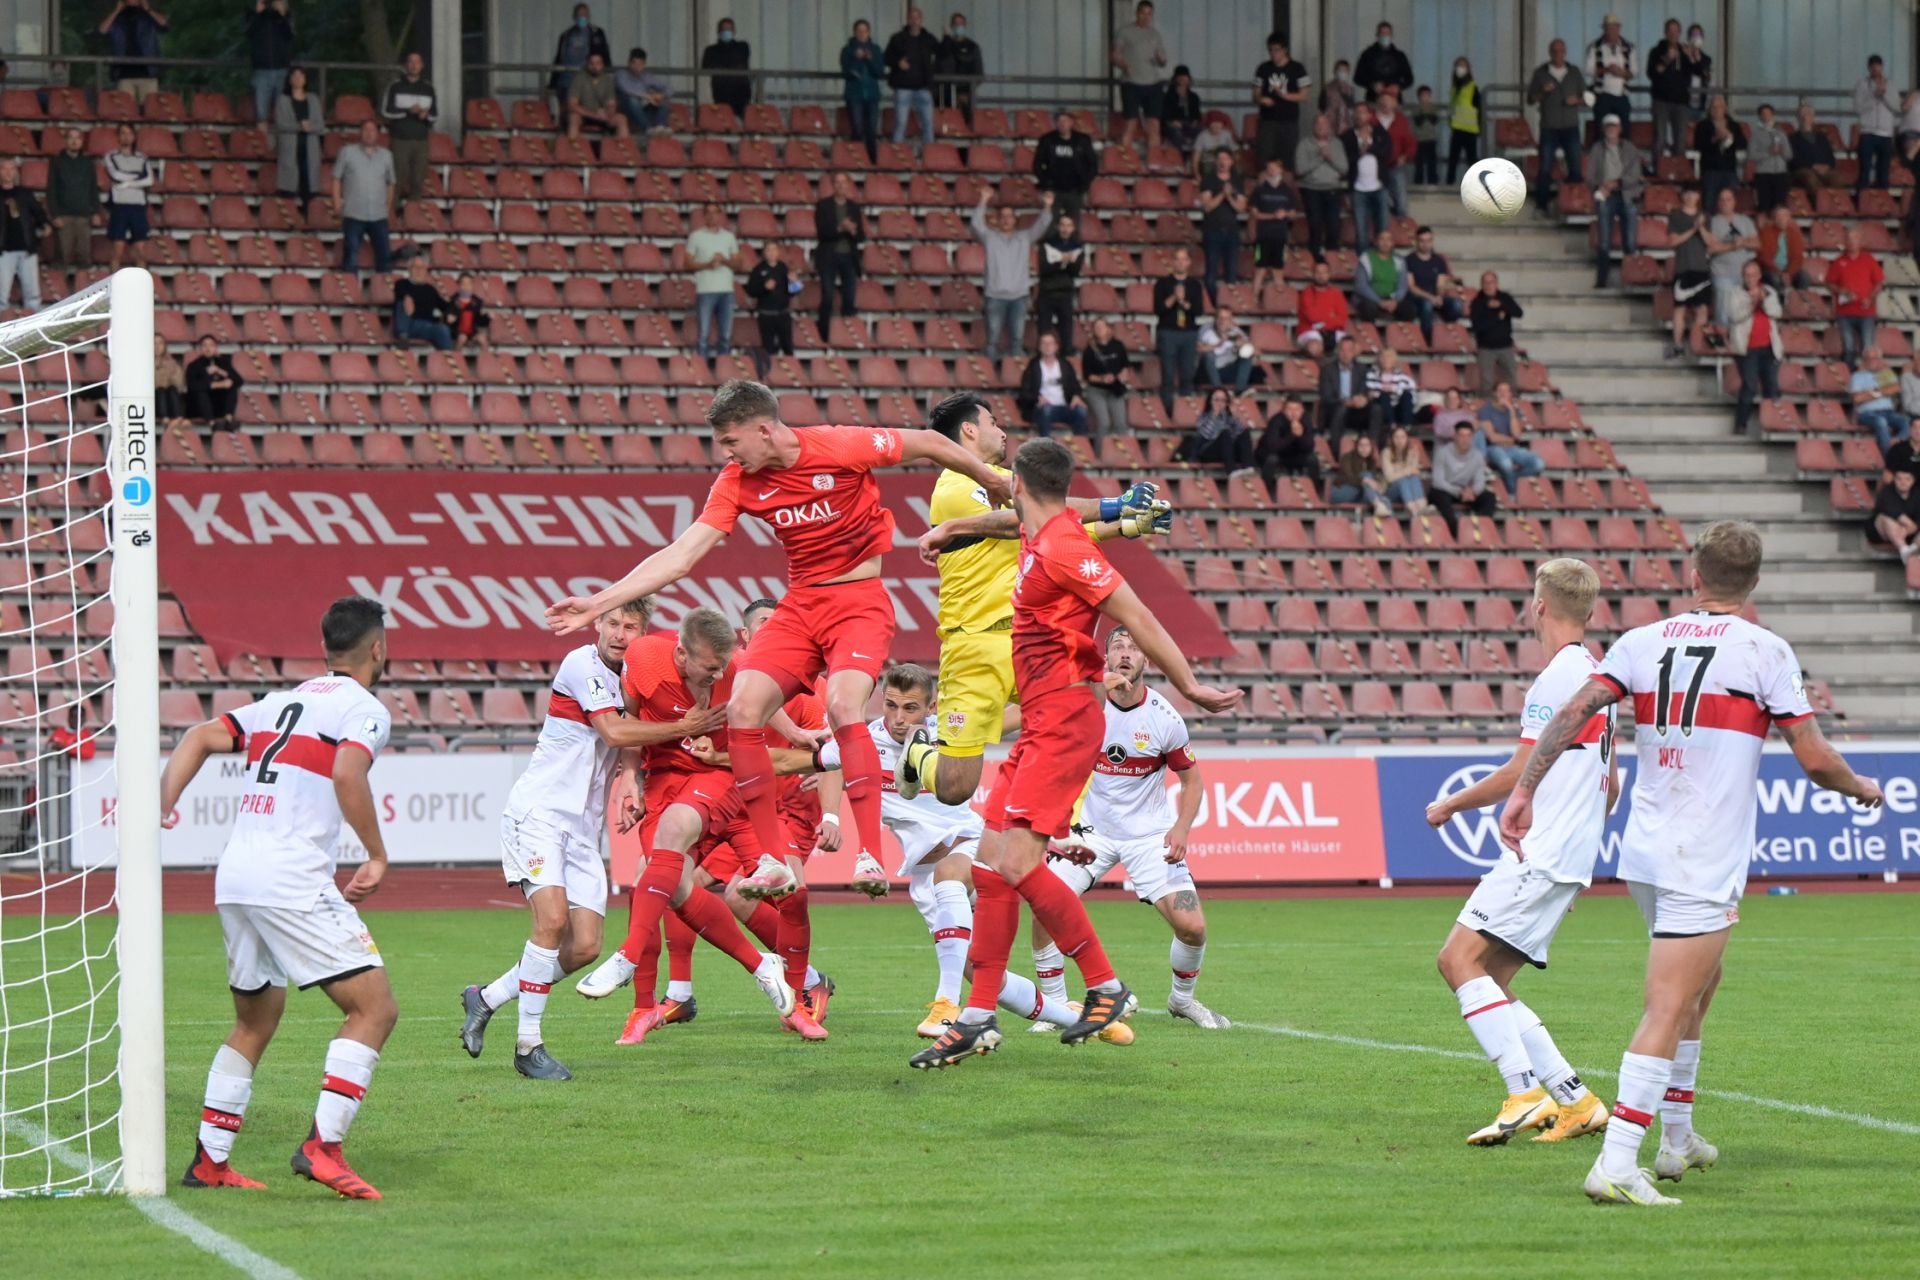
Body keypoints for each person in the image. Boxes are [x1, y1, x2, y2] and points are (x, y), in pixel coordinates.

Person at [1503, 521, 1883, 1207]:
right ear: (1755, 582)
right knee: (1669, 1004)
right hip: (1700, 856)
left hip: (1646, 854)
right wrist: (1861, 787)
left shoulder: (1641, 641)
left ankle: (1677, 1136)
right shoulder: (1764, 650)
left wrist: (1525, 788)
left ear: (1694, 574)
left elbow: (1577, 709)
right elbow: (1815, 757)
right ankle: (1617, 1163)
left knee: (1701, 985)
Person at [546, 380, 1013, 929]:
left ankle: (869, 854)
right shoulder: (737, 480)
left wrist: (993, 479)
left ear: (764, 430)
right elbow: (682, 555)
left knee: (842, 705)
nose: (726, 452)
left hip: (858, 600)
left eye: (730, 440)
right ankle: (771, 860)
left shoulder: (838, 445)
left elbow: (929, 442)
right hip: (800, 605)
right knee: (744, 708)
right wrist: (599, 602)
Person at [910, 438, 1242, 1070]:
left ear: (1017, 484)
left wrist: (1190, 684)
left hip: (1065, 720)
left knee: (1014, 865)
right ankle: (976, 1018)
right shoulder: (1044, 525)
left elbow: (1137, 614)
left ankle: (1105, 984)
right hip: (1041, 721)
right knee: (991, 864)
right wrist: (954, 528)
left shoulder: (1064, 545)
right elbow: (1012, 520)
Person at [161, 597, 400, 1199]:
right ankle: (323, 1148)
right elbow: (347, 772)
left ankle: (210, 1162)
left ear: (325, 649)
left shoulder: (278, 702)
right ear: (377, 649)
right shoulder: (363, 707)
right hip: (290, 878)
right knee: (374, 1009)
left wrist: (162, 804)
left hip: (236, 876)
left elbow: (198, 736)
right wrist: (376, 854)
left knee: (255, 1020)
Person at [1426, 559, 1618, 1147]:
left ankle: (1523, 1092)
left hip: (1542, 851)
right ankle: (1577, 1101)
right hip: (1566, 854)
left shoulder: (1556, 680)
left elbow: (1518, 770)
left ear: (1539, 606)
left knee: (1457, 961)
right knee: (1493, 980)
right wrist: (1575, 866)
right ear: (1589, 611)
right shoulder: (1600, 678)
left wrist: (1451, 805)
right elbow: (1610, 785)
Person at [903, 392, 1167, 814]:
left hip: (1027, 642)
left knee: (1088, 702)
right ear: (968, 430)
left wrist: (1129, 525)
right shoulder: (955, 486)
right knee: (955, 788)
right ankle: (920, 752)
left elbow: (1054, 529)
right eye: (992, 422)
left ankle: (1070, 820)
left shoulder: (1002, 484)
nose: (1001, 430)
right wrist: (1115, 505)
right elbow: (1027, 518)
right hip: (973, 646)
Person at [569, 608, 825, 1039]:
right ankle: (746, 972)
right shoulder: (644, 660)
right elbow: (629, 725)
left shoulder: (743, 670)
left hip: (721, 776)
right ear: (682, 654)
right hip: (665, 780)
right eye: (710, 667)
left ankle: (630, 956)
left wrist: (801, 739)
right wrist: (631, 776)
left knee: (786, 889)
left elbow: (762, 707)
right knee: (666, 885)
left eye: (723, 666)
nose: (718, 674)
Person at [459, 601, 655, 1080]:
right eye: (613, 623)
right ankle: (529, 1046)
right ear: (597, 624)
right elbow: (614, 730)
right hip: (540, 813)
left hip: (584, 829)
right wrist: (687, 727)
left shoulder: (637, 680)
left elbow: (630, 744)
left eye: (631, 626)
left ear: (643, 631)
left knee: (585, 945)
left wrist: (633, 781)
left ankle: (487, 997)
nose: (620, 633)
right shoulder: (580, 663)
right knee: (551, 920)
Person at [640, 599, 844, 1039]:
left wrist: (830, 813)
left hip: (786, 811)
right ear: (745, 640)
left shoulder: (810, 688)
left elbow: (828, 754)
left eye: (781, 625)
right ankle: (679, 991)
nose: (777, 632)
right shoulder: (728, 681)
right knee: (675, 877)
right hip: (733, 801)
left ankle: (806, 984)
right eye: (766, 625)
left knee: (753, 895)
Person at [1032, 627, 1229, 1030]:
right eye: (1117, 647)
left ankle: (1182, 1000)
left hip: (1148, 836)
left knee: (1192, 927)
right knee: (1045, 904)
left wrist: (1181, 829)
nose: (1125, 654)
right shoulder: (1085, 706)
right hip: (1091, 831)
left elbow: (1192, 781)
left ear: (1147, 660)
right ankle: (1055, 1007)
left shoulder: (1164, 718)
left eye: (1134, 648)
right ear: (1105, 659)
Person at [972, 189, 1054, 362]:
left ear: (1015, 220)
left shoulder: (1025, 237)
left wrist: (1047, 207)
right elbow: (976, 224)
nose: (1006, 219)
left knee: (1017, 340)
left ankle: (1016, 373)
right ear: (998, 220)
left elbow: (1042, 226)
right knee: (992, 341)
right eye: (1002, 216)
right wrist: (983, 201)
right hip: (995, 296)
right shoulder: (990, 237)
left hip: (1019, 297)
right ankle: (990, 374)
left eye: (1009, 216)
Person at [1528, 40, 1586, 208]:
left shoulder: (1574, 72)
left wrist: (1577, 100)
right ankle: (1542, 206)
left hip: (1571, 127)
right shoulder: (1540, 73)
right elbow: (1530, 99)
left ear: (1565, 52)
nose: (1558, 54)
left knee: (1575, 166)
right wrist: (1542, 91)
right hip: (1549, 127)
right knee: (1545, 167)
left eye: (1561, 51)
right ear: (1550, 52)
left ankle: (1574, 204)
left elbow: (1587, 98)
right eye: (1554, 51)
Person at [1587, 114, 1643, 289]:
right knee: (1604, 242)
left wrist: (1616, 183)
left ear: (1620, 129)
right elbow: (1590, 176)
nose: (1611, 130)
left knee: (1630, 242)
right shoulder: (1597, 149)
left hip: (1626, 194)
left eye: (1614, 127)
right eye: (1608, 127)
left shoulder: (1630, 148)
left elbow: (1635, 175)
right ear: (1604, 129)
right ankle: (1602, 280)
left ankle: (1631, 279)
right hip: (1606, 196)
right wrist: (1600, 187)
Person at [332, 119, 393, 276]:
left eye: (372, 130)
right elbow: (336, 178)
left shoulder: (387, 156)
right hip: (353, 213)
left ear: (378, 134)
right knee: (350, 257)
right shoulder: (347, 152)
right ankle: (350, 289)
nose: (369, 133)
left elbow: (391, 183)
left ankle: (383, 289)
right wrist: (337, 203)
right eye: (366, 129)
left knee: (385, 258)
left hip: (379, 215)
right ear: (360, 132)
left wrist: (387, 206)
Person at [1728, 260, 1781, 438]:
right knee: (1749, 386)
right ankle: (1740, 424)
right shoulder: (1735, 293)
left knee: (1771, 387)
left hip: (1769, 347)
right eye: (1747, 275)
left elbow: (1777, 312)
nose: (1750, 278)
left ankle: (1772, 424)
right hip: (1747, 348)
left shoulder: (1769, 291)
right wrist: (1751, 304)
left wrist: (1763, 300)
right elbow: (1734, 316)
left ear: (1759, 276)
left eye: (1753, 275)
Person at [1152, 246, 1208, 414]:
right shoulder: (1162, 283)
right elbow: (1158, 309)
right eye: (1177, 259)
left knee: (1187, 375)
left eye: (1184, 259)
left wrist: (1183, 301)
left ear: (1189, 262)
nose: (1181, 263)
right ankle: (1168, 412)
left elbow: (1198, 311)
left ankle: (1185, 412)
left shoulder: (1195, 285)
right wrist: (1174, 297)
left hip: (1189, 333)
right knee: (1168, 376)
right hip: (1168, 332)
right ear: (1173, 262)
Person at [379, 52, 437, 208]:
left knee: (418, 180)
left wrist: (426, 115)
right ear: (406, 65)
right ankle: (391, 211)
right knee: (397, 177)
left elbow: (435, 115)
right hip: (400, 139)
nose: (414, 65)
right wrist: (407, 112)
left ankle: (414, 213)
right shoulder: (395, 86)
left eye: (417, 62)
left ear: (422, 65)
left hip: (421, 140)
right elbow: (385, 111)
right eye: (411, 62)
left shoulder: (428, 88)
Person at [1111, 0, 1168, 155]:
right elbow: (1115, 55)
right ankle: (1125, 158)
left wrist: (1162, 59)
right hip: (1132, 82)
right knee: (1131, 122)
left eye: (1149, 14)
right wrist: (1124, 65)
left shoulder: (1155, 34)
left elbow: (1162, 61)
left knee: (1154, 124)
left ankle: (1154, 160)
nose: (1146, 17)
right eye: (1143, 13)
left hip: (1153, 83)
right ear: (1137, 13)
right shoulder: (1125, 32)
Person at [686, 203, 741, 362]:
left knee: (726, 335)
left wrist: (724, 260)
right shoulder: (695, 236)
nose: (712, 216)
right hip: (705, 290)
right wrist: (707, 265)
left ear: (720, 215)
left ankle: (723, 366)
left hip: (726, 291)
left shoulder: (729, 237)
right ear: (704, 216)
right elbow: (687, 263)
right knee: (703, 334)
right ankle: (702, 367)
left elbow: (738, 264)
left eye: (715, 212)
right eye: (708, 213)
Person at [1665, 186, 1713, 359]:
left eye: (1694, 193)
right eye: (1687, 193)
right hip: (1683, 267)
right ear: (1683, 196)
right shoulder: (1675, 215)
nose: (1691, 196)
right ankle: (1678, 346)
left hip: (1702, 268)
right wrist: (1693, 229)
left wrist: (1701, 227)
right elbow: (1672, 241)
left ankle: (1697, 345)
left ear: (1698, 196)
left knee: (1702, 310)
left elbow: (1711, 242)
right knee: (1680, 309)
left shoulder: (1705, 216)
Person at [813, 172, 863, 333]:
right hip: (829, 256)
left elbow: (861, 236)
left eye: (843, 182)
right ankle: (823, 332)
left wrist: (853, 231)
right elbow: (822, 233)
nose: (841, 185)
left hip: (849, 257)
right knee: (828, 296)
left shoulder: (854, 207)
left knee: (849, 297)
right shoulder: (823, 206)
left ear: (848, 185)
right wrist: (841, 228)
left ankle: (847, 333)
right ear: (833, 185)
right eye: (837, 182)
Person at [1295, 112, 1348, 263]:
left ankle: (1332, 261)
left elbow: (1344, 169)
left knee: (1333, 226)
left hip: (1332, 189)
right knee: (1315, 225)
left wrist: (1329, 158)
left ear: (1329, 127)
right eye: (1318, 124)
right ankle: (1315, 260)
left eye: (1324, 124)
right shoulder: (1304, 144)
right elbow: (1299, 170)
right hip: (1311, 189)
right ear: (1313, 126)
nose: (1321, 127)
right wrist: (1320, 158)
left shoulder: (1337, 144)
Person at [1825, 226, 1882, 367]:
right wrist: (1841, 290)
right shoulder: (1838, 262)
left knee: (1868, 349)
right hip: (1845, 312)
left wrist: (1870, 298)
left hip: (1866, 312)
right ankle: (1850, 377)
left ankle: (1867, 378)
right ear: (1845, 241)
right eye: (1849, 238)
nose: (1852, 242)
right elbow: (1829, 283)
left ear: (1860, 240)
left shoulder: (1869, 260)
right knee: (1848, 348)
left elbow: (1879, 283)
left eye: (1855, 238)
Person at [1646, 19, 1702, 158]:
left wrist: (1693, 57)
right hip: (1661, 101)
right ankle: (1657, 167)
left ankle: (1678, 168)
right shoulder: (1656, 51)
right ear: (1665, 33)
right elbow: (1652, 74)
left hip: (1681, 101)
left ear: (1680, 33)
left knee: (1681, 140)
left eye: (1676, 31)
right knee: (1660, 139)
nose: (1673, 34)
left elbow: (1698, 72)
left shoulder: (1685, 51)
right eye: (1670, 31)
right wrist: (1667, 59)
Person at [1252, 34, 1309, 170]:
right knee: (1265, 157)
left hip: (1289, 121)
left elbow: (1304, 95)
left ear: (1285, 50)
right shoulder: (1263, 68)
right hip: (1268, 121)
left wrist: (1285, 96)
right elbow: (1255, 94)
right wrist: (1261, 99)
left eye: (1276, 50)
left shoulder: (1297, 68)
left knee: (1288, 158)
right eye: (1270, 50)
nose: (1273, 54)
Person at [884, 8, 940, 146]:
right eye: (912, 18)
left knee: (928, 124)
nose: (914, 21)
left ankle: (929, 154)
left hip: (923, 87)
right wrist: (898, 62)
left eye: (917, 18)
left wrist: (947, 38)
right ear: (908, 20)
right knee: (900, 123)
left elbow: (943, 52)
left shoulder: (928, 38)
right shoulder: (897, 38)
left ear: (921, 20)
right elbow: (886, 57)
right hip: (903, 87)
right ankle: (896, 154)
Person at [1431, 421, 1498, 533]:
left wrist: (1474, 492)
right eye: (1461, 436)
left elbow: (1480, 480)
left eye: (1468, 436)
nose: (1465, 439)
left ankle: (1480, 527)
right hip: (1446, 489)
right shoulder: (1442, 453)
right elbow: (1438, 481)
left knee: (1489, 497)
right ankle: (1456, 530)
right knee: (1439, 496)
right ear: (1455, 436)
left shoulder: (1477, 455)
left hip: (1465, 490)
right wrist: (1458, 491)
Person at [1342, 102, 1393, 252]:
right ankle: (1363, 261)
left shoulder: (1379, 133)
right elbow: (1345, 160)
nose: (1360, 116)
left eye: (1363, 112)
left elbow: (1387, 152)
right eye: (1357, 112)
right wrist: (1360, 150)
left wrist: (1369, 147)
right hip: (1358, 189)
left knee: (1382, 229)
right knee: (1361, 231)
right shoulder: (1347, 136)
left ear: (1369, 115)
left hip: (1379, 187)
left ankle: (1382, 258)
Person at [1018, 331, 1089, 438]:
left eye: (1050, 343)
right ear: (1039, 347)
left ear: (1056, 346)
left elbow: (1076, 386)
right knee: (1045, 411)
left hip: (1064, 406)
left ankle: (1080, 445)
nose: (1047, 346)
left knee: (1081, 411)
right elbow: (1024, 393)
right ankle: (1047, 445)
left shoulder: (1065, 364)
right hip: (1042, 408)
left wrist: (1076, 396)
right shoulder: (1033, 366)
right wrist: (1037, 399)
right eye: (1044, 343)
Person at [1476, 380, 1546, 487]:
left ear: (1510, 394)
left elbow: (1517, 434)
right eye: (1500, 391)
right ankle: (1512, 490)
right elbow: (1493, 438)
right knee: (1506, 464)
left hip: (1512, 449)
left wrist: (1511, 410)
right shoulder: (1486, 410)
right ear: (1494, 393)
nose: (1503, 394)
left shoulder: (1514, 410)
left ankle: (1513, 479)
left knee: (1539, 464)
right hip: (1494, 449)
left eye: (1506, 391)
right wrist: (1512, 440)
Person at [743, 242, 797, 380]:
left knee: (788, 346)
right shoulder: (758, 270)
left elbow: (794, 291)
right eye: (768, 250)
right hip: (766, 314)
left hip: (783, 313)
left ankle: (791, 375)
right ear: (764, 253)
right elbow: (751, 291)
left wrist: (794, 282)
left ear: (778, 252)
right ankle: (769, 376)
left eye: (774, 249)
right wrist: (764, 287)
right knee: (768, 347)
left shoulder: (784, 268)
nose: (772, 252)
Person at [1705, 185, 1757, 329]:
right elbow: (1711, 248)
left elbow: (1757, 243)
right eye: (1722, 200)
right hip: (1722, 274)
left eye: (1728, 199)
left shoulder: (1746, 221)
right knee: (1723, 313)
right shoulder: (1712, 222)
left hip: (1745, 275)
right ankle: (1722, 338)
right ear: (1718, 202)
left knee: (1743, 312)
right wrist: (1734, 245)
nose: (1725, 203)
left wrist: (1743, 242)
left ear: (1734, 202)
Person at [45, 129, 98, 270]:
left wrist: (96, 212)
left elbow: (93, 188)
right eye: (71, 137)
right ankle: (60, 284)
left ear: (82, 141)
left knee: (84, 256)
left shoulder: (88, 162)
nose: (74, 141)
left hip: (84, 215)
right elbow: (51, 189)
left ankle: (85, 284)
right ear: (66, 140)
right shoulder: (56, 161)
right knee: (62, 257)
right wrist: (55, 214)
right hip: (63, 215)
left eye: (77, 138)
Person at [1246, 157, 1298, 299]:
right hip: (1263, 236)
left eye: (1274, 168)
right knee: (1260, 269)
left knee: (1278, 270)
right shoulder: (1260, 190)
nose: (1272, 170)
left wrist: (1285, 213)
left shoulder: (1287, 190)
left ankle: (1279, 300)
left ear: (1281, 170)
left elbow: (1293, 213)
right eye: (1269, 168)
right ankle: (1253, 299)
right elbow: (1254, 213)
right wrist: (1273, 216)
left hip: (1280, 236)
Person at [102, 123, 152, 272]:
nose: (126, 137)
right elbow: (116, 175)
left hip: (138, 207)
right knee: (117, 251)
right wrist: (138, 178)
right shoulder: (111, 156)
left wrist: (128, 183)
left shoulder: (142, 158)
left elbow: (149, 180)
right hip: (119, 206)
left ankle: (141, 284)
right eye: (123, 133)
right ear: (118, 137)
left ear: (134, 136)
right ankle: (114, 284)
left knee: (140, 252)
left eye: (129, 133)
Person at [1033, 109, 1097, 222]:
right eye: (1059, 121)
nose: (1062, 124)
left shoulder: (1082, 140)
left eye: (1065, 120)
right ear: (1055, 123)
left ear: (1071, 122)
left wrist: (1084, 183)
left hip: (1075, 190)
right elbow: (1037, 164)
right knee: (1050, 223)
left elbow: (1093, 164)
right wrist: (1045, 183)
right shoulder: (1047, 140)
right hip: (1053, 189)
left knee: (1073, 223)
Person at [1403, 224, 1464, 344]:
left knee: (1457, 304)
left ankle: (1447, 334)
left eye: (1428, 240)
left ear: (1432, 241)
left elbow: (1441, 284)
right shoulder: (1409, 260)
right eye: (1422, 241)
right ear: (1416, 241)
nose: (1425, 244)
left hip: (1435, 297)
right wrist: (1431, 298)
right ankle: (1428, 341)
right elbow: (1412, 287)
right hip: (1416, 298)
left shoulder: (1438, 260)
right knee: (1427, 304)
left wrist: (1439, 296)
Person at [1197, 147, 1246, 294]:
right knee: (1211, 272)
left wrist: (1229, 196)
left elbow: (1241, 207)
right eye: (1219, 159)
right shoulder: (1208, 180)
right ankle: (1212, 302)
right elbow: (1207, 206)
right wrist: (1222, 194)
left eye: (1225, 159)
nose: (1222, 162)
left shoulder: (1237, 181)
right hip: (1212, 230)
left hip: (1232, 231)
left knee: (1231, 273)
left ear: (1231, 162)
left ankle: (1228, 302)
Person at [98, 0, 169, 102]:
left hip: (148, 71)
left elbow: (164, 24)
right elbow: (102, 30)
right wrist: (116, 10)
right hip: (124, 72)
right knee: (125, 106)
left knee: (149, 105)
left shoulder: (148, 16)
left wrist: (148, 9)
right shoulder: (118, 17)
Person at [1034, 211, 1084, 354]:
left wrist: (1057, 263)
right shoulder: (1047, 245)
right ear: (1057, 226)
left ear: (1073, 228)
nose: (1065, 229)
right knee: (1044, 332)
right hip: (1047, 293)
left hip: (1065, 294)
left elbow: (1074, 271)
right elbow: (1044, 269)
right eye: (1062, 225)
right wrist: (1062, 261)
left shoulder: (1077, 247)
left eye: (1069, 225)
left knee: (1066, 335)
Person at [0, 160, 46, 314]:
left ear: (16, 172)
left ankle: (34, 325)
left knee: (32, 295)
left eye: (11, 168)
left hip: (27, 248)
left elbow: (38, 212)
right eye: (4, 168)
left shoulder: (24, 193)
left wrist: (45, 224)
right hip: (3, 250)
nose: (8, 172)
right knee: (1, 295)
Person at [274, 67, 322, 204]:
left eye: (301, 75)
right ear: (289, 80)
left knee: (309, 186)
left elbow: (320, 125)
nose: (298, 78)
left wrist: (309, 127)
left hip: (310, 148)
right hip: (290, 147)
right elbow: (280, 123)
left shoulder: (313, 99)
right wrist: (299, 126)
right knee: (289, 188)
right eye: (294, 75)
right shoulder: (282, 100)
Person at [1853, 55, 1900, 194]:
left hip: (1885, 133)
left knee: (1883, 171)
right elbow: (1858, 108)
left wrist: (1884, 95)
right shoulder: (1862, 85)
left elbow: (1897, 107)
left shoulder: (1891, 84)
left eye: (1878, 68)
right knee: (1865, 169)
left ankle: (1882, 199)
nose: (1876, 71)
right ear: (1869, 68)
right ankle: (1862, 199)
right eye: (1873, 69)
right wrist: (1874, 96)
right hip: (1868, 132)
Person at [549, 5, 611, 111]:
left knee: (588, 111)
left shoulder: (597, 33)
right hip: (567, 81)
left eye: (585, 15)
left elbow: (604, 55)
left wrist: (605, 75)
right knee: (567, 112)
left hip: (588, 80)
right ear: (574, 16)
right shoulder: (566, 35)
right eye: (580, 15)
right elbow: (559, 57)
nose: (583, 17)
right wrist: (553, 81)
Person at [1469, 270, 1523, 391]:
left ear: (1496, 283)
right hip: (1486, 348)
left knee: (1511, 379)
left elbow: (1519, 313)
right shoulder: (1477, 302)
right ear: (1481, 284)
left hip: (1506, 346)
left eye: (1491, 282)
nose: (1489, 285)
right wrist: (1497, 318)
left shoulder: (1505, 298)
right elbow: (1477, 326)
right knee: (1486, 382)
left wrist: (1502, 306)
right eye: (1486, 282)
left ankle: (1511, 402)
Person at [1691, 94, 1744, 217]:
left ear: (1725, 108)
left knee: (1729, 204)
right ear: (1709, 109)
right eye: (1714, 107)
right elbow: (1698, 145)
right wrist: (1714, 139)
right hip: (1710, 170)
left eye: (1720, 107)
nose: (1717, 110)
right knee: (1709, 205)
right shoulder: (1703, 125)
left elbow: (1742, 144)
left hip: (1729, 170)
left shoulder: (1734, 125)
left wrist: (1730, 137)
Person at [1850, 345, 1908, 455]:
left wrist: (1871, 392)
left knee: (1907, 420)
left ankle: (1897, 442)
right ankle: (1890, 457)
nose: (1872, 361)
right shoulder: (1857, 376)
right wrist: (1883, 391)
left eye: (1875, 358)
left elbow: (1896, 388)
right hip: (1867, 414)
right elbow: (1857, 398)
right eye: (1868, 358)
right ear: (1864, 360)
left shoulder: (1884, 374)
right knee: (1881, 421)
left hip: (1888, 412)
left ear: (1880, 360)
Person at [1079, 318, 1132, 439]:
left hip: (1115, 388)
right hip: (1097, 390)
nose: (1100, 330)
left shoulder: (1118, 346)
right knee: (1104, 423)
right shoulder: (1089, 350)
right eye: (1097, 327)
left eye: (1102, 326)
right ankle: (1099, 449)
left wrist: (1123, 375)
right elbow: (1087, 376)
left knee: (1121, 424)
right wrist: (1102, 379)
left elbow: (1126, 366)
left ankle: (1124, 449)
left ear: (1108, 329)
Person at [1258, 397, 1323, 495]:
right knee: (1271, 459)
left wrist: (1301, 436)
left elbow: (1309, 447)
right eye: (1290, 409)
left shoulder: (1306, 420)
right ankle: (1265, 491)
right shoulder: (1276, 421)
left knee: (1312, 459)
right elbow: (1272, 447)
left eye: (1297, 409)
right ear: (1284, 410)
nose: (1293, 413)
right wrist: (1292, 435)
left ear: (1302, 410)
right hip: (1277, 454)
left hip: (1296, 454)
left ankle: (1315, 492)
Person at [247, 0, 295, 132]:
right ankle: (263, 140)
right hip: (261, 71)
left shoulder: (287, 17)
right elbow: (250, 33)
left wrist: (282, 16)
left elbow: (290, 35)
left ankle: (281, 141)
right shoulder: (254, 16)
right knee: (261, 113)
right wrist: (258, 14)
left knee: (283, 112)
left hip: (281, 70)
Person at [840, 22, 883, 163]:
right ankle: (856, 159)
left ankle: (872, 161)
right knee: (857, 128)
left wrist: (869, 59)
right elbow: (847, 73)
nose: (862, 34)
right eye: (859, 31)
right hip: (854, 95)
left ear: (869, 33)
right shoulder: (847, 50)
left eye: (864, 31)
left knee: (871, 129)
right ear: (854, 32)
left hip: (872, 95)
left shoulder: (876, 50)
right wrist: (856, 59)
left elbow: (879, 72)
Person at [391, 257, 452, 351]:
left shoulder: (430, 289)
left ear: (425, 270)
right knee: (402, 303)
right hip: (408, 323)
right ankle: (403, 338)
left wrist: (454, 309)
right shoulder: (401, 283)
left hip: (425, 326)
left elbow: (445, 306)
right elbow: (400, 293)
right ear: (409, 269)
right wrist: (407, 297)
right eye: (415, 267)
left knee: (442, 329)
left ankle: (447, 357)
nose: (419, 271)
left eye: (422, 268)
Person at [1318, 335, 1371, 442]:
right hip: (1334, 409)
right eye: (1342, 350)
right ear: (1338, 351)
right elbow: (1326, 396)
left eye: (1349, 350)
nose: (1345, 354)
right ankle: (1336, 448)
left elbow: (1365, 390)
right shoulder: (1327, 369)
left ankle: (1372, 447)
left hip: (1355, 410)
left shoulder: (1362, 369)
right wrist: (1346, 402)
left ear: (1354, 353)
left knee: (1376, 410)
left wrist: (1364, 399)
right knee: (1341, 409)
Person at [1584, 14, 1634, 126]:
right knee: (1601, 128)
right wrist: (1607, 70)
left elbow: (1634, 72)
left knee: (1624, 129)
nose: (1611, 31)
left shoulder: (1629, 47)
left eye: (1614, 28)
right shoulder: (1594, 47)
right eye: (1608, 28)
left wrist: (1621, 73)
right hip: (1602, 95)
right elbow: (1588, 70)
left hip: (1622, 95)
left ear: (1619, 29)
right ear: (1604, 29)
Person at [1375, 85, 1417, 217]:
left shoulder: (1401, 121)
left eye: (1389, 100)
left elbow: (1411, 143)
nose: (1385, 103)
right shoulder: (1372, 120)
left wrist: (1405, 157)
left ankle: (1402, 225)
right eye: (1383, 100)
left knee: (1401, 202)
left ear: (1395, 103)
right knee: (1382, 202)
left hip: (1395, 166)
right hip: (1376, 168)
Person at [566, 52, 628, 140]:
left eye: (598, 63)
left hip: (603, 116)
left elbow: (612, 103)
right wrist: (594, 115)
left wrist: (608, 113)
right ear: (587, 64)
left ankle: (621, 147)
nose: (595, 67)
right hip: (584, 116)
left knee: (621, 119)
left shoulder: (608, 80)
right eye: (592, 63)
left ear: (602, 64)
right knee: (574, 118)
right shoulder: (579, 78)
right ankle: (573, 147)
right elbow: (572, 105)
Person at [936, 13, 984, 127]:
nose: (959, 27)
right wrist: (946, 38)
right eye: (956, 24)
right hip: (946, 93)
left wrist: (965, 90)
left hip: (966, 93)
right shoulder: (945, 46)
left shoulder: (972, 47)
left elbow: (978, 73)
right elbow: (940, 65)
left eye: (961, 24)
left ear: (965, 25)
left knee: (967, 121)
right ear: (951, 26)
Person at [186, 334, 243, 427]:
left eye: (211, 345)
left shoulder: (223, 362)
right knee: (200, 392)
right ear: (200, 349)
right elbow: (192, 386)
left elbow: (239, 381)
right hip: (200, 408)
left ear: (216, 348)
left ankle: (228, 420)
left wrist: (221, 372)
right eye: (204, 345)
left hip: (218, 405)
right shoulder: (193, 365)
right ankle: (212, 424)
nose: (208, 348)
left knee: (232, 387)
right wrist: (216, 384)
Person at [1788, 102, 1843, 197]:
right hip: (1802, 171)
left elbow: (1831, 158)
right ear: (1797, 117)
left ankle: (1834, 203)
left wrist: (1827, 167)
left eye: (1808, 114)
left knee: (1837, 178)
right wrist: (1813, 166)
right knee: (1811, 178)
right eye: (1802, 114)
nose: (1805, 117)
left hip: (1823, 170)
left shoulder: (1822, 138)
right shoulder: (1792, 139)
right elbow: (1792, 160)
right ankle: (1820, 203)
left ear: (1813, 117)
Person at [1353, 226, 1407, 323]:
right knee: (1369, 308)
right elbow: (1361, 286)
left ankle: (1396, 331)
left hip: (1391, 299)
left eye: (1388, 240)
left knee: (1409, 309)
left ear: (1392, 243)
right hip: (1370, 298)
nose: (1385, 243)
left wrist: (1395, 301)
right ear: (1376, 242)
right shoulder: (1366, 258)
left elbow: (1402, 285)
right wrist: (1379, 302)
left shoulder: (1399, 260)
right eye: (1382, 239)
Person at [701, 17, 752, 118]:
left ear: (734, 31)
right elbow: (706, 66)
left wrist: (719, 64)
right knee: (723, 120)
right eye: (724, 29)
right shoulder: (711, 50)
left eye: (729, 29)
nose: (726, 32)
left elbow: (740, 60)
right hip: (721, 92)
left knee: (746, 120)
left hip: (741, 92)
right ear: (718, 31)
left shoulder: (742, 46)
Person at [1330, 431, 1391, 516]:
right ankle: (1378, 504)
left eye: (1367, 445)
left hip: (1359, 495)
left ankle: (1385, 516)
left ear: (1371, 447)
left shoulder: (1371, 462)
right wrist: (1364, 480)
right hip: (1342, 491)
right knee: (1366, 475)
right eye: (1361, 445)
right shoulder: (1347, 458)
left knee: (1385, 500)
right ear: (1356, 446)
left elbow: (1372, 484)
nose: (1364, 448)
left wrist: (1373, 483)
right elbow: (1349, 478)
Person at [1196, 305, 1254, 393]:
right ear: (1215, 319)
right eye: (1220, 318)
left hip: (1228, 370)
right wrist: (1217, 345)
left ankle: (1240, 391)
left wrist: (1242, 345)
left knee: (1247, 354)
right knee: (1209, 355)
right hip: (1208, 371)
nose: (1223, 321)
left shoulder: (1236, 331)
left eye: (1226, 318)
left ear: (1231, 321)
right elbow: (1196, 349)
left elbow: (1256, 351)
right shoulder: (1206, 329)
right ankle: (1219, 391)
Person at [1297, 254, 1349, 351]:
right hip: (1310, 330)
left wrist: (1324, 323)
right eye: (1318, 272)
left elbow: (1342, 319)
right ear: (1313, 274)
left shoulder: (1337, 293)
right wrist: (1330, 318)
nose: (1321, 276)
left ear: (1329, 274)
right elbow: (1313, 317)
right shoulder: (1306, 293)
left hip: (1334, 331)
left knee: (1352, 347)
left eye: (1324, 272)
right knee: (1315, 348)